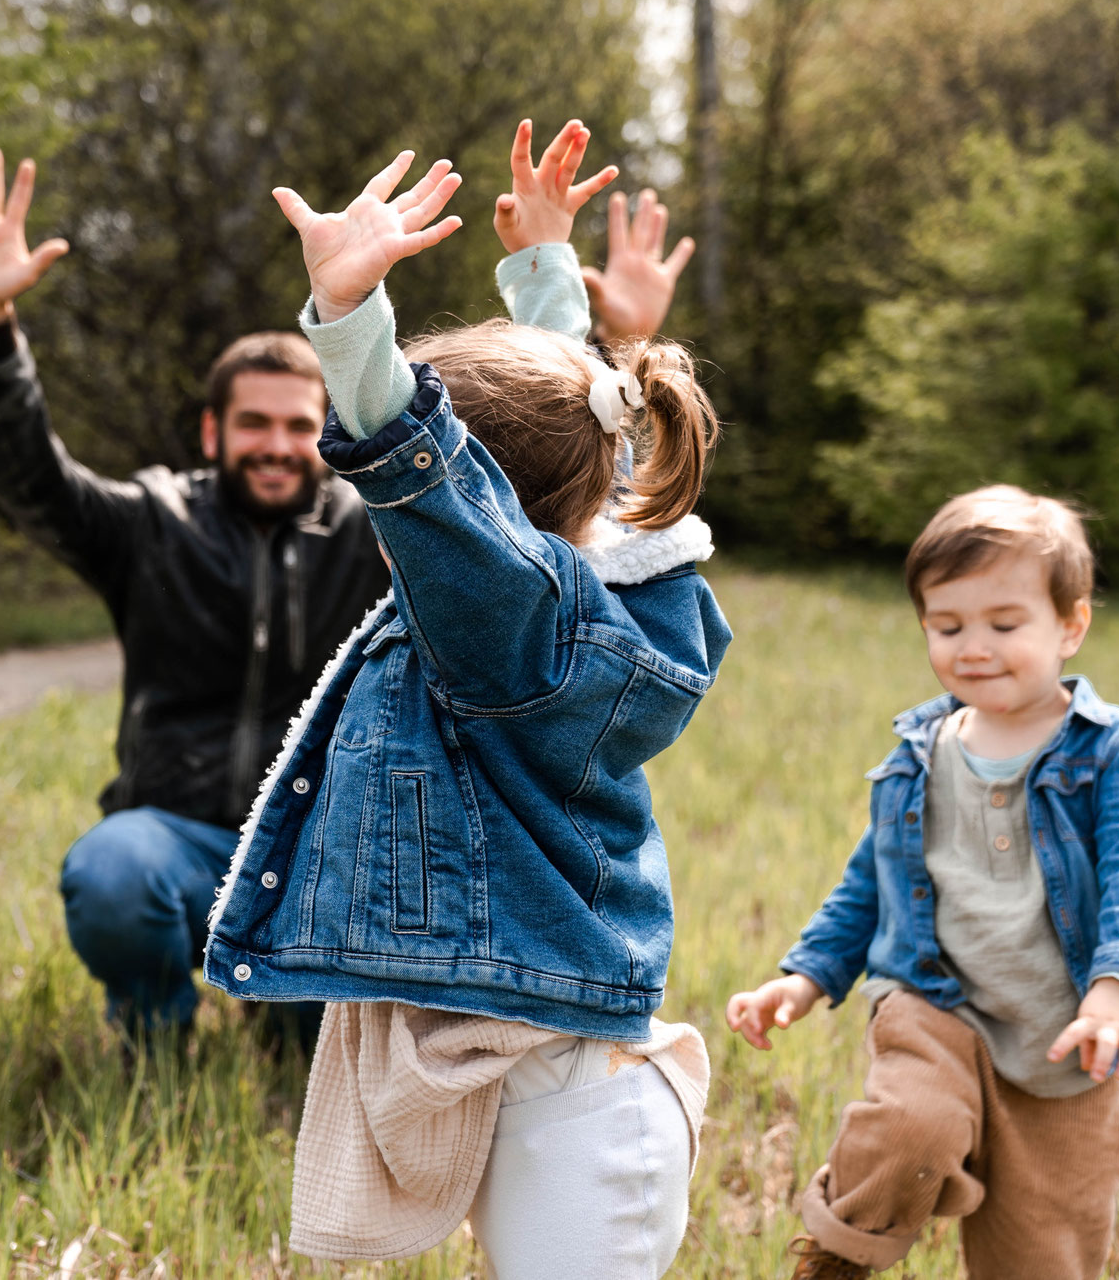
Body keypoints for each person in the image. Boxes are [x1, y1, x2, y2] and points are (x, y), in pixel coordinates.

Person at [0, 143, 695, 1044]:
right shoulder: (152, 523)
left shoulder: (383, 527)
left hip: (335, 852)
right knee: (114, 869)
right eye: (254, 423)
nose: (280, 444)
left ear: (326, 423)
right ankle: (155, 1034)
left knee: (326, 1036)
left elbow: (526, 495)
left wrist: (598, 344)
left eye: (299, 423)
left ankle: (292, 1026)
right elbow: (30, 482)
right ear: (214, 429)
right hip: (182, 836)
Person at [202, 119, 727, 1278]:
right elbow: (573, 425)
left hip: (579, 1125)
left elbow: (444, 480)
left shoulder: (513, 631)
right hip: (551, 1080)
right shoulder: (582, 579)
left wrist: (349, 322)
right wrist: (544, 272)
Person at [725, 486, 1119, 1279]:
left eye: (1005, 624)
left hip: (1062, 1034)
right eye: (947, 624)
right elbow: (869, 879)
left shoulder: (1112, 751)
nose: (974, 645)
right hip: (936, 1001)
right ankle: (838, 1256)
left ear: (1071, 624)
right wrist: (803, 977)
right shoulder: (920, 752)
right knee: (911, 1127)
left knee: (1044, 1244)